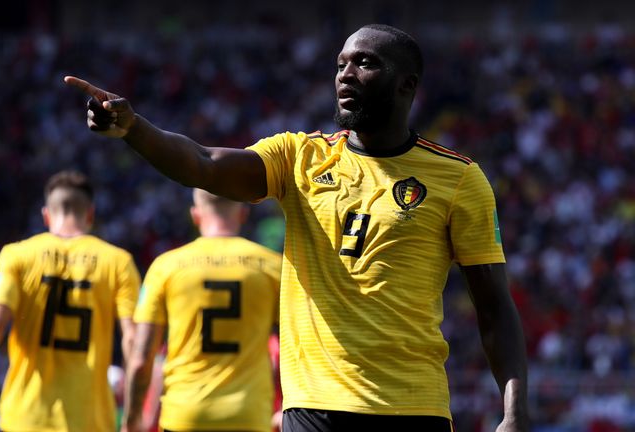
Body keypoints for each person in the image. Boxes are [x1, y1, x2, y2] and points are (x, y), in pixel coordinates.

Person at [65, 23, 529, 431]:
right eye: (341, 64)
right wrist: (133, 128)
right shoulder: (299, 157)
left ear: (407, 85)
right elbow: (204, 165)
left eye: (365, 64)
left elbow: (494, 309)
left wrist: (514, 412)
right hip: (314, 409)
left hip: (413, 407)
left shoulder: (458, 178)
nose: (346, 75)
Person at [0, 170, 141, 432]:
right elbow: (133, 340)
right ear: (91, 214)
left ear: (46, 215)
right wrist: (134, 413)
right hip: (90, 420)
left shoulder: (16, 256)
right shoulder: (118, 262)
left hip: (26, 418)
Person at [126, 188, 282, 432]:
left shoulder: (165, 267)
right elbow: (302, 344)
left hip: (185, 415)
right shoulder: (273, 266)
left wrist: (132, 420)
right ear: (243, 214)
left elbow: (141, 359)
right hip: (248, 415)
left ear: (195, 215)